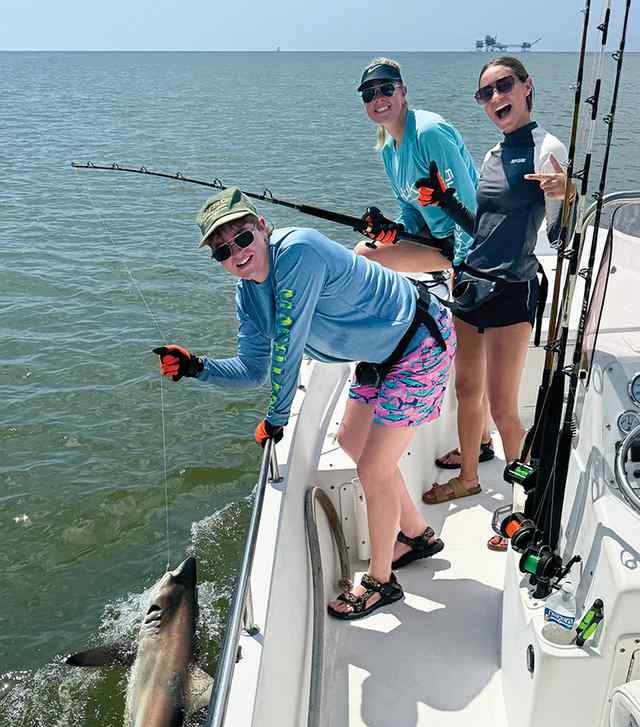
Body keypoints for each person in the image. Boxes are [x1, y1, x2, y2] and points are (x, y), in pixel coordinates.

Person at [154, 187, 456, 619]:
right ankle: (417, 535)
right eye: (222, 250)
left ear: (262, 227)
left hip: (420, 342)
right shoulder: (248, 296)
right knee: (352, 440)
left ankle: (382, 582)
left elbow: (289, 348)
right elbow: (253, 368)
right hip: (380, 355)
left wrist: (276, 417)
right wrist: (197, 367)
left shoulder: (299, 251)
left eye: (242, 238)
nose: (236, 254)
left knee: (373, 468)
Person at [417, 56, 574, 551]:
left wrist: (567, 194)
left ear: (527, 87)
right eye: (484, 93)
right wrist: (444, 201)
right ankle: (468, 476)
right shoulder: (490, 155)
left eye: (503, 86)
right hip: (471, 287)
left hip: (511, 292)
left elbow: (561, 234)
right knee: (466, 391)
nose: (494, 98)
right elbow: (480, 229)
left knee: (504, 406)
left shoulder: (547, 149)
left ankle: (523, 507)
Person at [354, 56, 495, 468]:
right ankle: (388, 342)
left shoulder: (429, 132)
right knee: (369, 250)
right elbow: (414, 218)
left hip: (473, 249)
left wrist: (463, 275)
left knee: (467, 360)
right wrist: (391, 231)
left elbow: (471, 210)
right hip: (442, 245)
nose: (378, 99)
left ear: (402, 92)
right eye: (369, 94)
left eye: (385, 89)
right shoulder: (387, 147)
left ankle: (481, 442)